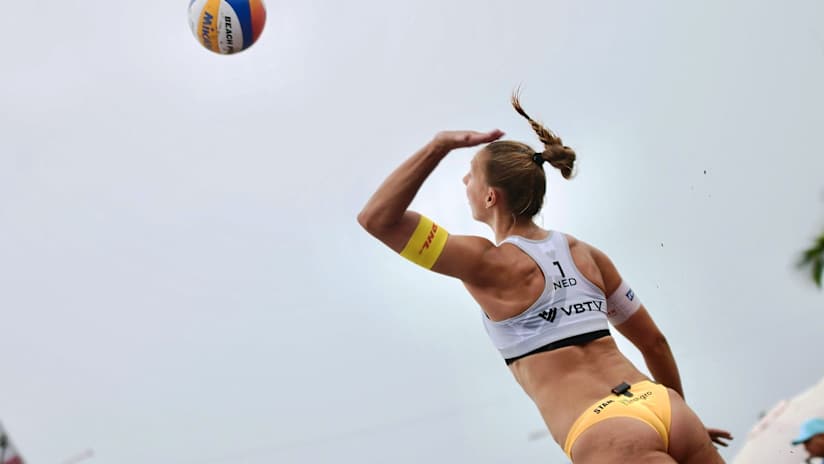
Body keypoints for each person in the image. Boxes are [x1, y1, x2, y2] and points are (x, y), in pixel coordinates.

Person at [357, 92, 732, 463]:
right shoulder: (586, 254)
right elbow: (654, 343)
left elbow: (377, 219)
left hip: (604, 430)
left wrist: (439, 146)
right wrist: (682, 418)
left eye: (469, 175)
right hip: (665, 405)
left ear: (491, 197)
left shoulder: (485, 262)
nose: (463, 182)